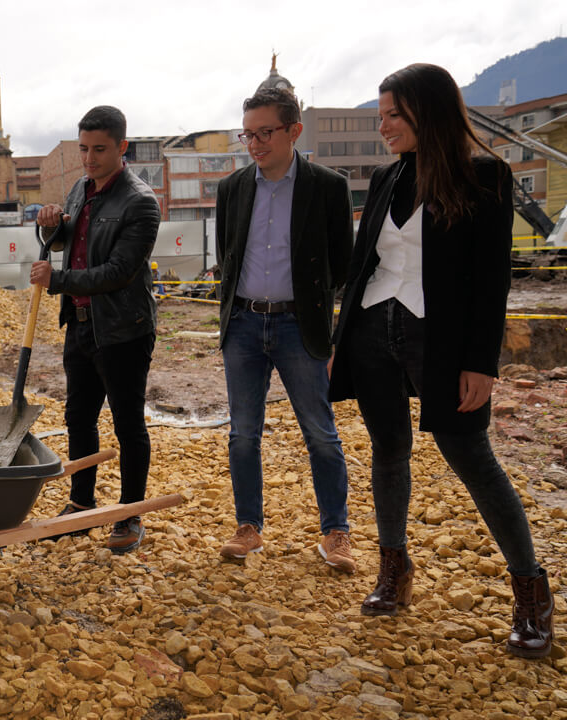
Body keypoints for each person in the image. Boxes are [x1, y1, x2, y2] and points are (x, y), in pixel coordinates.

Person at [329, 63, 554, 657]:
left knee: (471, 455)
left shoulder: (487, 176)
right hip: (374, 330)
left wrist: (482, 362)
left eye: (394, 115)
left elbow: (491, 280)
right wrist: (339, 340)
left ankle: (531, 591)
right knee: (388, 450)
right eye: (380, 117)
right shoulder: (385, 178)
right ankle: (394, 571)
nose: (384, 127)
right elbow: (361, 266)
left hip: (445, 341)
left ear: (429, 111)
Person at [212, 87, 356, 572]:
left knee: (320, 432)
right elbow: (225, 258)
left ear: (293, 130)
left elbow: (342, 264)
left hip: (301, 325)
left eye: (265, 133)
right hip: (245, 325)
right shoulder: (232, 189)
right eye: (248, 134)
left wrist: (324, 322)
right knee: (243, 434)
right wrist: (230, 315)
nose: (254, 143)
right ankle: (247, 527)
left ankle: (336, 532)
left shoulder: (328, 187)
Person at [30, 105, 160, 554]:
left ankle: (128, 514)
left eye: (99, 149)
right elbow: (66, 239)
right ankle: (81, 504)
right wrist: (48, 224)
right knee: (79, 419)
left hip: (124, 329)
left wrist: (58, 281)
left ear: (122, 147)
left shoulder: (140, 201)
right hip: (81, 325)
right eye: (83, 149)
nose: (89, 158)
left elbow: (118, 271)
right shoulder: (80, 190)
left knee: (128, 425)